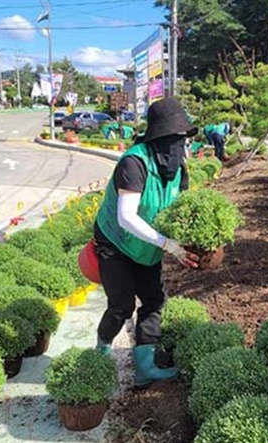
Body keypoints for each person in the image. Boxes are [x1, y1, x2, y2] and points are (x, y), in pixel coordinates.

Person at [93, 97, 199, 388]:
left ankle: (145, 367)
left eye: (184, 139)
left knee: (154, 300)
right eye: (174, 139)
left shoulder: (179, 170)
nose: (180, 147)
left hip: (148, 244)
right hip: (115, 242)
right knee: (121, 306)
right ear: (158, 138)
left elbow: (181, 212)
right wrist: (168, 245)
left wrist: (190, 244)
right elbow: (126, 217)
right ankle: (100, 352)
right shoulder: (133, 163)